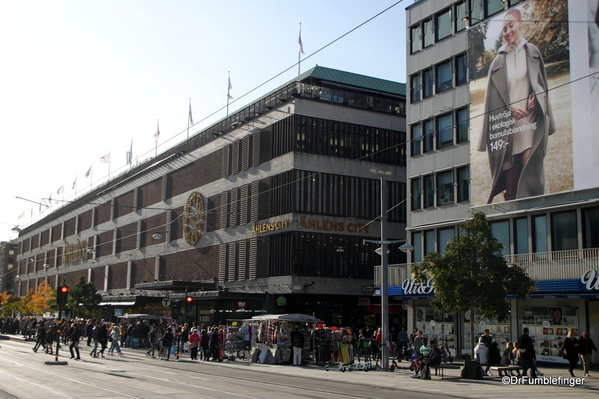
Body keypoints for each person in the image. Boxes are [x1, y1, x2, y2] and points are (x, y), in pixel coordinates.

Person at [477, 7, 555, 203]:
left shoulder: (533, 52)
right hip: (507, 126)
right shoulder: (498, 60)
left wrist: (535, 99)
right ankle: (513, 216)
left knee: (530, 166)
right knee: (511, 175)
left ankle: (533, 211)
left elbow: (541, 85)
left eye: (511, 25)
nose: (507, 31)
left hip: (529, 121)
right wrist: (509, 107)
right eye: (504, 29)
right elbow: (491, 100)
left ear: (520, 24)